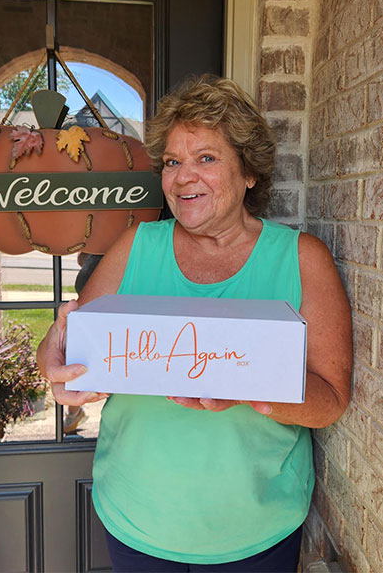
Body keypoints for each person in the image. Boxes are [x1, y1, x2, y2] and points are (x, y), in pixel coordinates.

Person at [37, 75, 352, 572]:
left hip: (257, 530)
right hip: (137, 520)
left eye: (206, 159)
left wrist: (251, 387)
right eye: (172, 162)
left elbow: (330, 400)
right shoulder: (135, 246)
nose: (184, 177)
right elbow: (69, 347)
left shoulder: (301, 259)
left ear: (249, 171)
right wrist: (54, 360)